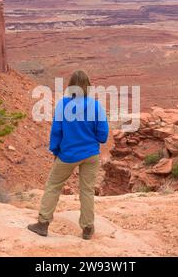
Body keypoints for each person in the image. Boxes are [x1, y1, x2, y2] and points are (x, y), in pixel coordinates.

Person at [28, 70, 109, 240]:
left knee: (53, 186)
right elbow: (103, 136)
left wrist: (56, 151)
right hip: (91, 154)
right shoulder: (96, 106)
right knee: (86, 191)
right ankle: (87, 228)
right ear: (88, 86)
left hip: (68, 154)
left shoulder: (63, 104)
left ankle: (43, 224)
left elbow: (56, 131)